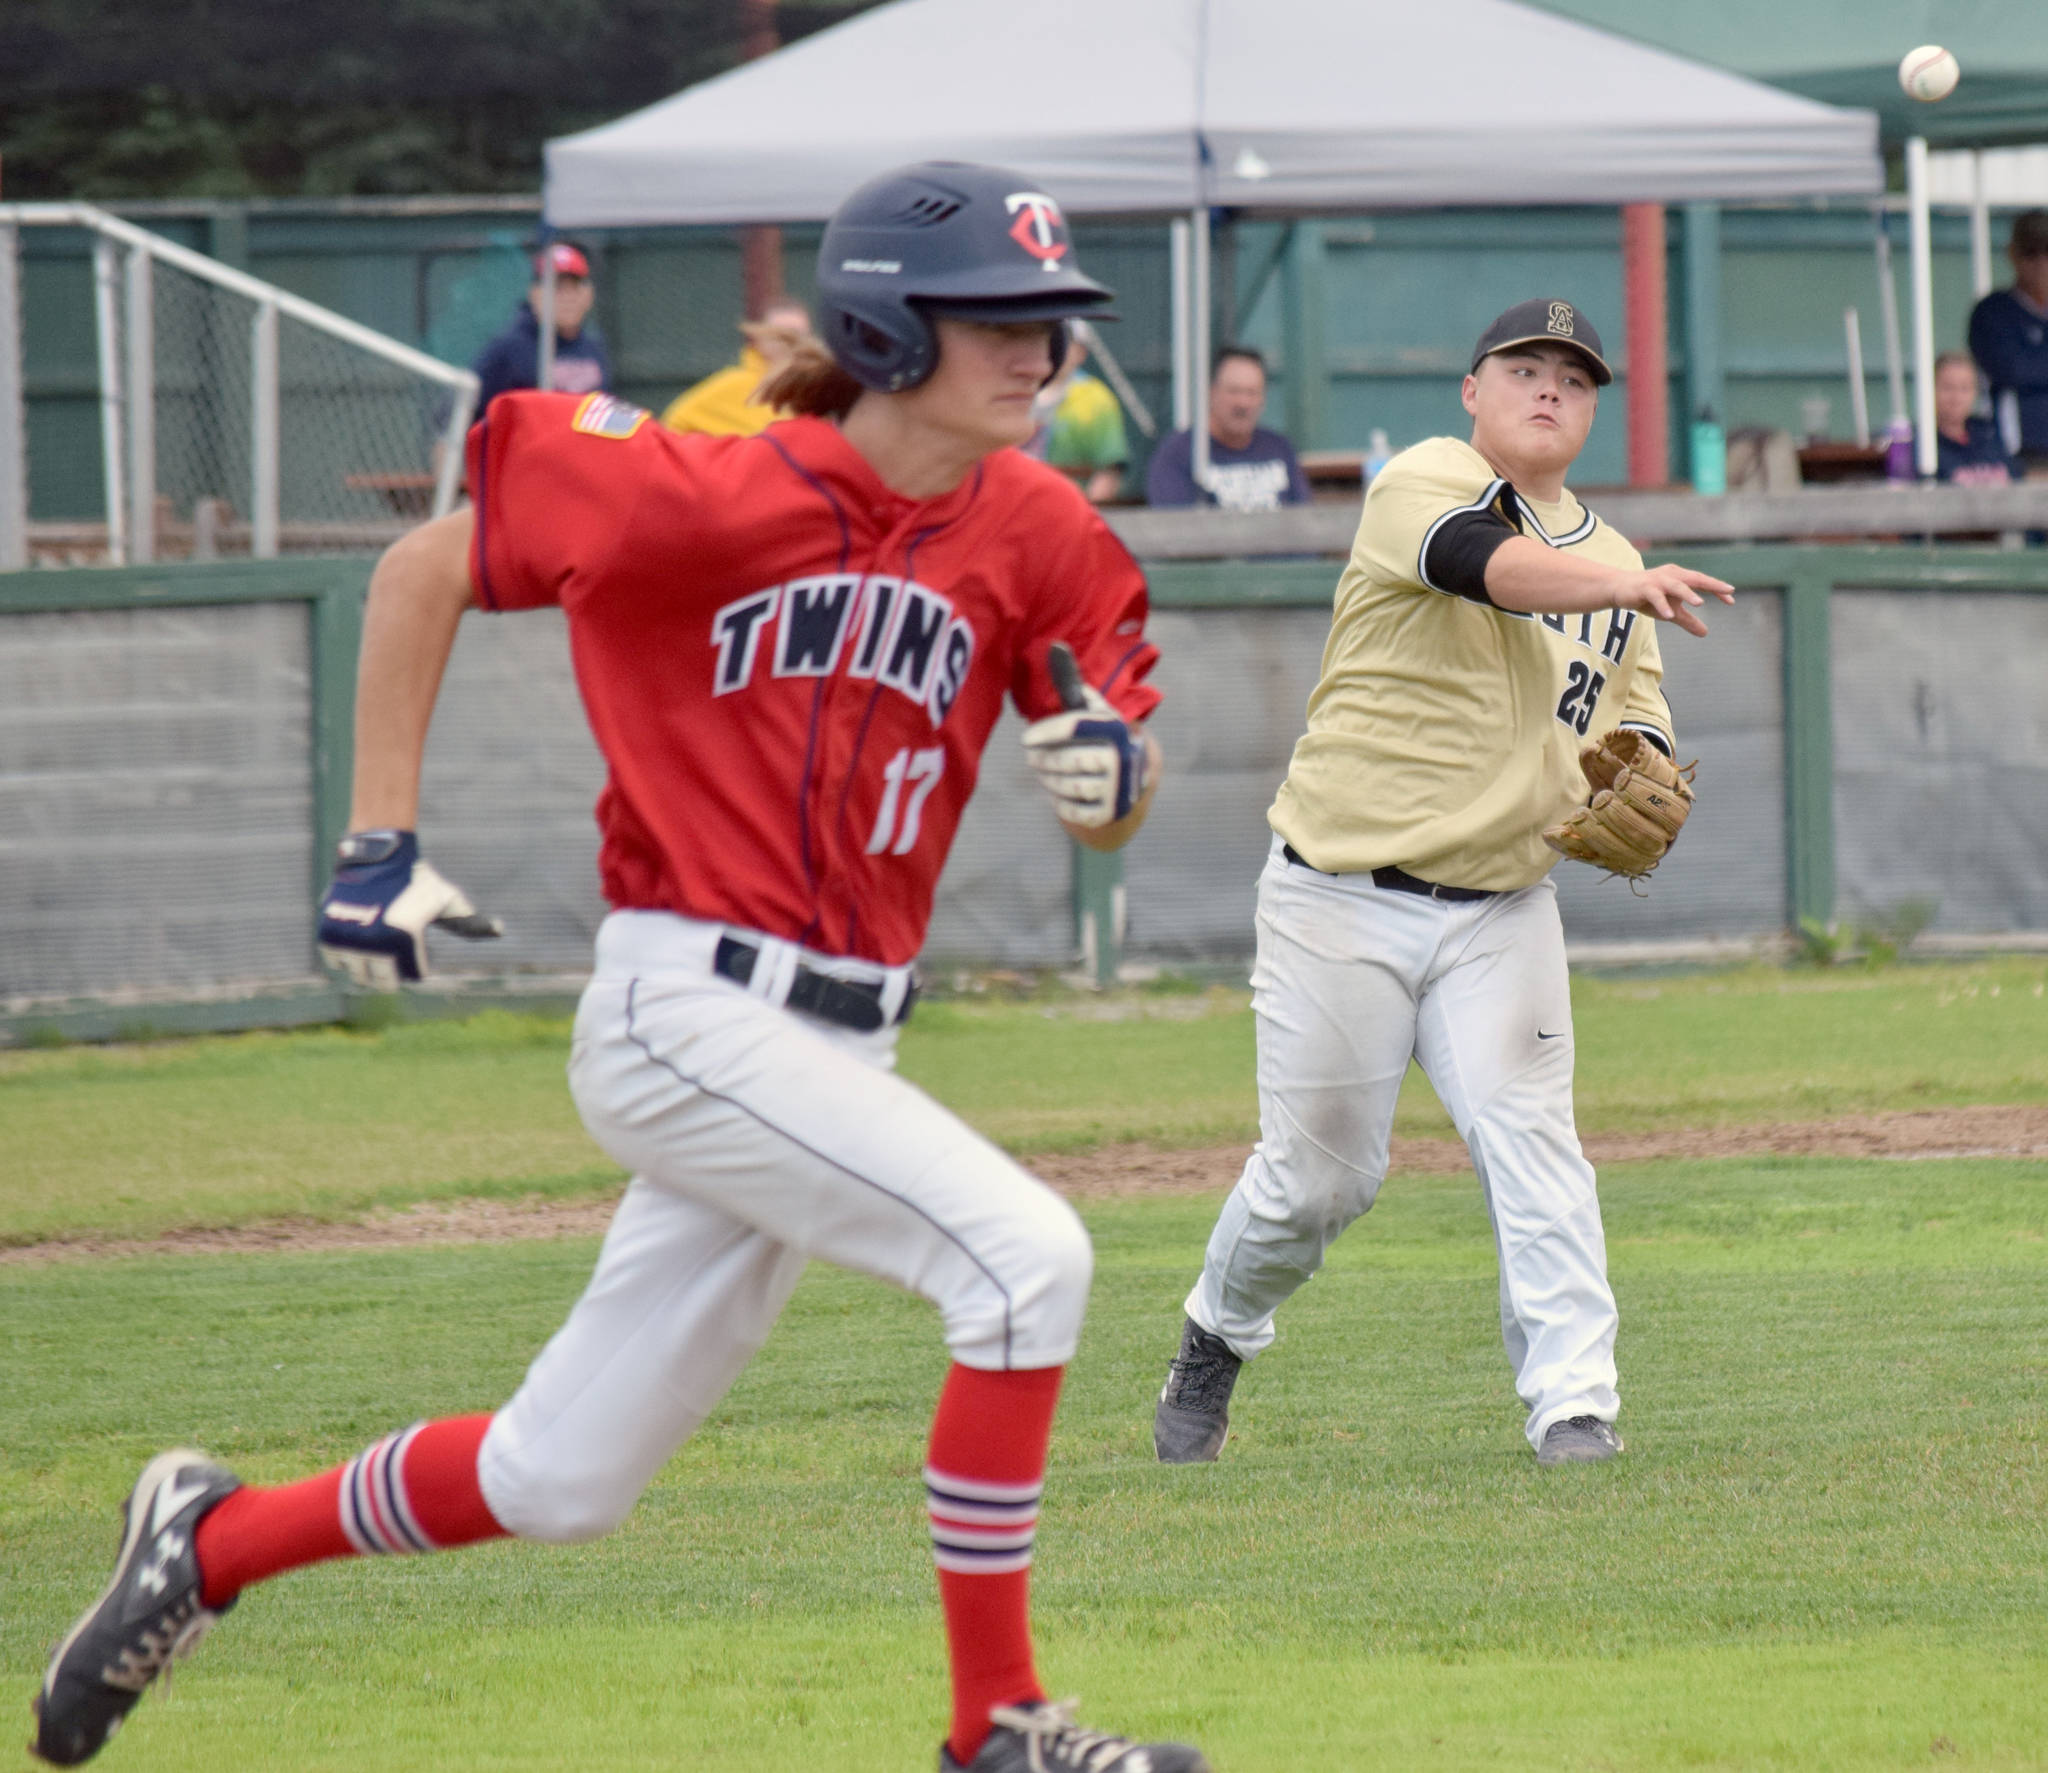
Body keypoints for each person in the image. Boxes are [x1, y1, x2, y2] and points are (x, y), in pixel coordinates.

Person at [31, 162, 1206, 1773]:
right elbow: (421, 567)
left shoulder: (1039, 527)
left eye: (1051, 322)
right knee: (1024, 1263)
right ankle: (996, 1726)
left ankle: (209, 1543)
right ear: (881, 321)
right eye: (998, 319)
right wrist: (376, 840)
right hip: (682, 1009)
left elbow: (1118, 746)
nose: (1040, 352)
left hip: (835, 1053)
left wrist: (1111, 778)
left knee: (557, 1479)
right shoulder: (695, 489)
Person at [1149, 299, 1733, 1471]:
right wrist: (1617, 588)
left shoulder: (1617, 566)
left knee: (1533, 1146)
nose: (1547, 390)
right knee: (1316, 1183)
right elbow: (1483, 567)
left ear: (1594, 407)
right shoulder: (1422, 479)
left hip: (1502, 908)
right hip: (1336, 897)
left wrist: (1654, 759)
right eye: (1522, 368)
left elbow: (1636, 706)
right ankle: (1215, 1333)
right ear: (1472, 391)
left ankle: (1573, 1409)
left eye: (1572, 376)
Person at [1145, 347, 1310, 512]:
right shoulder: (1179, 453)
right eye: (1234, 391)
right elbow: (1173, 526)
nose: (1243, 403)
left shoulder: (1279, 448)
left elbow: (1305, 518)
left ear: (1263, 398)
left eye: (1252, 393)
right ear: (1212, 392)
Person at [469, 241, 611, 417]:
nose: (567, 298)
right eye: (557, 289)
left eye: (574, 288)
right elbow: (464, 408)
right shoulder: (509, 349)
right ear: (534, 294)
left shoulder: (592, 346)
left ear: (588, 295)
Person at [660, 296, 814, 436]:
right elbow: (674, 425)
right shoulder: (733, 386)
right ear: (759, 337)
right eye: (778, 334)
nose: (788, 342)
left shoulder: (816, 390)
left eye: (796, 334)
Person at [1967, 209, 2048, 469]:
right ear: (2013, 254)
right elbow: (2013, 370)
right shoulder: (1993, 312)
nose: (2041, 263)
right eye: (2031, 252)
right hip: (2021, 453)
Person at [1028, 324, 1129, 503]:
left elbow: (1109, 471)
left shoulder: (1095, 399)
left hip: (1067, 509)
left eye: (1061, 343)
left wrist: (1083, 514)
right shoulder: (1010, 391)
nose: (1053, 350)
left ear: (1080, 352)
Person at [1931, 349, 2022, 485]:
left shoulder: (1989, 434)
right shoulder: (1923, 444)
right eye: (1948, 387)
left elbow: (2015, 478)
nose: (1956, 398)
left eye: (1965, 388)